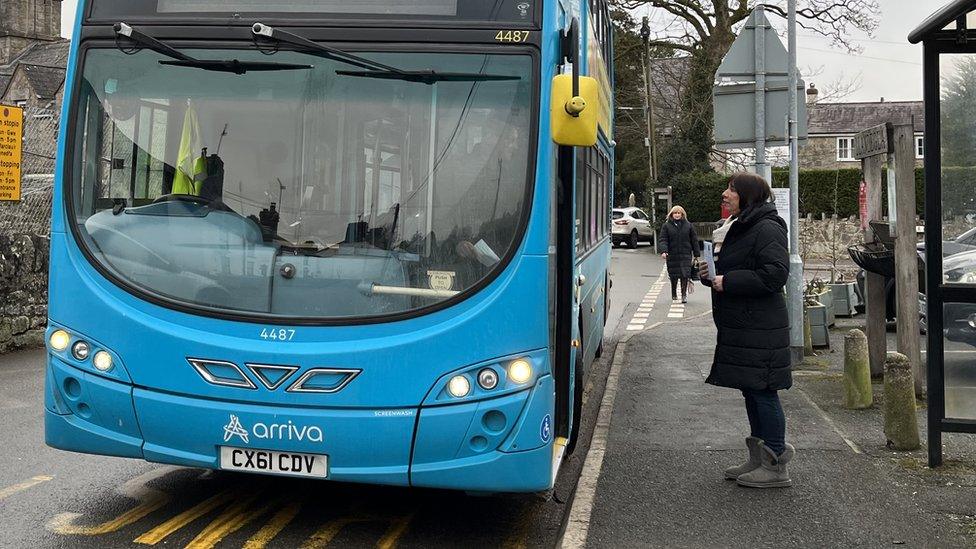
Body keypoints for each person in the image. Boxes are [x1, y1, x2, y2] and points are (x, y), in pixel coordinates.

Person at [699, 173, 794, 488]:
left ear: (748, 196)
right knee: (752, 389)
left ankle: (776, 462)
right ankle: (758, 458)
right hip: (746, 327)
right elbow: (740, 267)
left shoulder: (766, 228)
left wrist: (728, 281)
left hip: (761, 328)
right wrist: (709, 274)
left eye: (732, 190)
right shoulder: (743, 225)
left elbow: (774, 274)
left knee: (764, 391)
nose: (725, 194)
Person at [659, 205, 699, 303]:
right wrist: (664, 251)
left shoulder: (688, 225)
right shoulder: (666, 226)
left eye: (679, 213)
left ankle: (684, 295)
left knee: (685, 275)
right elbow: (663, 239)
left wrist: (696, 254)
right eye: (675, 213)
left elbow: (694, 240)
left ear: (682, 214)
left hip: (685, 254)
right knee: (674, 275)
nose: (677, 215)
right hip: (672, 254)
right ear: (671, 214)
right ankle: (674, 293)